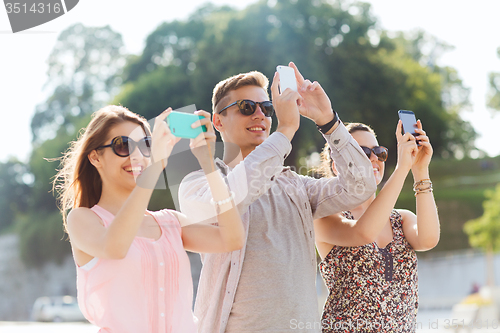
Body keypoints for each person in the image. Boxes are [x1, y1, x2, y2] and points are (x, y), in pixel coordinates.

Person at [178, 63, 377, 333]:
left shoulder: (297, 186)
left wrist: (328, 121)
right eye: (247, 107)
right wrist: (284, 132)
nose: (260, 115)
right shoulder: (198, 184)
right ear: (217, 121)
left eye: (268, 108)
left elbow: (362, 186)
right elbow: (232, 198)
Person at [53, 105, 245, 333]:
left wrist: (208, 164)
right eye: (123, 145)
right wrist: (154, 168)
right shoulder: (83, 218)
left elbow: (232, 239)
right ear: (95, 157)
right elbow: (115, 247)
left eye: (145, 145)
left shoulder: (170, 222)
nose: (137, 156)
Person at [314, 121, 440, 332]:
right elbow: (362, 232)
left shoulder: (402, 219)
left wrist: (419, 170)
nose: (374, 158)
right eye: (362, 151)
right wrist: (402, 168)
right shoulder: (325, 216)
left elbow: (429, 239)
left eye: (379, 152)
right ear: (336, 165)